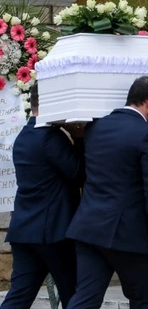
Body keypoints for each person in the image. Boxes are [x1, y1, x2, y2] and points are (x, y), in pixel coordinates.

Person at [66, 76, 148, 309]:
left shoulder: (95, 128)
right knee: (143, 300)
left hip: (89, 228)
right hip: (129, 234)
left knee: (85, 299)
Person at [1, 84, 84, 309]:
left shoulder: (23, 136)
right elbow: (78, 173)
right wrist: (79, 138)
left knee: (19, 296)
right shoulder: (50, 138)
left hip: (24, 229)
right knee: (73, 294)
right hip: (53, 232)